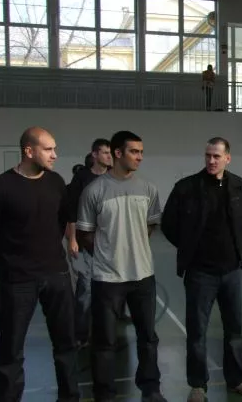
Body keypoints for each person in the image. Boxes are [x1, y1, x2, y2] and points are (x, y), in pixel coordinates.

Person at [0, 127, 79, 402]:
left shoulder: (56, 182)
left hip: (56, 276)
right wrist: (9, 264)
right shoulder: (0, 187)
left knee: (66, 345)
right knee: (11, 350)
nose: (55, 155)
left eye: (55, 149)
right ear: (29, 151)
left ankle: (70, 397)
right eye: (48, 149)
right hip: (17, 281)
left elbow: (63, 220)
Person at [161, 137, 242, 401]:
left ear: (228, 158)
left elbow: (241, 221)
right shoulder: (186, 188)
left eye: (217, 156)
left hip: (231, 271)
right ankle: (198, 385)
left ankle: (237, 379)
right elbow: (168, 224)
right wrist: (189, 248)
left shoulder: (238, 185)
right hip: (200, 273)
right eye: (208, 155)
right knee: (197, 332)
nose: (211, 160)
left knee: (235, 330)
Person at [76, 131, 167, 402]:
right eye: (134, 152)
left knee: (148, 338)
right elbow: (85, 233)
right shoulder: (94, 191)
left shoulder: (148, 189)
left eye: (141, 152)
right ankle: (104, 394)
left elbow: (150, 225)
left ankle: (151, 389)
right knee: (104, 342)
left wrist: (132, 247)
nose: (139, 157)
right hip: (107, 279)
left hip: (143, 276)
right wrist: (109, 254)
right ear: (118, 153)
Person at [66, 138, 112, 348]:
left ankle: (106, 331)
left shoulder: (114, 177)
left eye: (110, 153)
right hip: (85, 243)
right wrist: (72, 239)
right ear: (94, 154)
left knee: (109, 290)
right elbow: (71, 210)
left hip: (109, 243)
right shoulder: (82, 178)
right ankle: (81, 334)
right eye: (105, 153)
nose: (109, 156)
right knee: (85, 289)